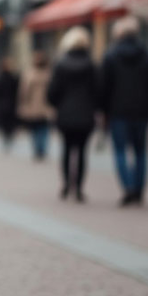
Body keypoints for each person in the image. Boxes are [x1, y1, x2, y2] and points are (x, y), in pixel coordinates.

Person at [100, 16, 148, 206]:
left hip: (118, 113)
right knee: (140, 152)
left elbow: (103, 88)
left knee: (120, 151)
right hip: (141, 113)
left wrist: (105, 110)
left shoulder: (110, 56)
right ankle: (138, 189)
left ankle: (127, 187)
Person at [46, 27, 99, 202]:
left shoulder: (60, 65)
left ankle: (67, 184)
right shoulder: (91, 65)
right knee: (82, 152)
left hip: (65, 115)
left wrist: (57, 104)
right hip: (85, 115)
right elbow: (98, 91)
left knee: (67, 150)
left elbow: (52, 93)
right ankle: (79, 188)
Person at [17, 50, 53, 160]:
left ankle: (37, 148)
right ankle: (42, 148)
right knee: (44, 128)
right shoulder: (49, 74)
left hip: (33, 105)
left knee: (35, 128)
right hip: (46, 105)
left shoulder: (29, 74)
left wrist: (23, 103)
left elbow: (24, 91)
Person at [0, 58, 20, 151]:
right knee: (10, 124)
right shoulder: (13, 78)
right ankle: (9, 140)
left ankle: (6, 140)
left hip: (1, 105)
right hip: (11, 104)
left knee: (5, 124)